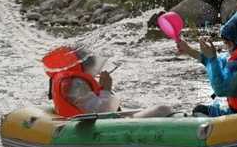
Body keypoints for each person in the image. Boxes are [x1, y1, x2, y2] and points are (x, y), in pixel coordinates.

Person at [43, 45, 171, 118]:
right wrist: (106, 89)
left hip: (83, 123)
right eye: (91, 66)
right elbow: (103, 113)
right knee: (163, 109)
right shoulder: (77, 84)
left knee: (154, 110)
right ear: (81, 65)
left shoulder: (68, 80)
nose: (94, 70)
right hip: (90, 130)